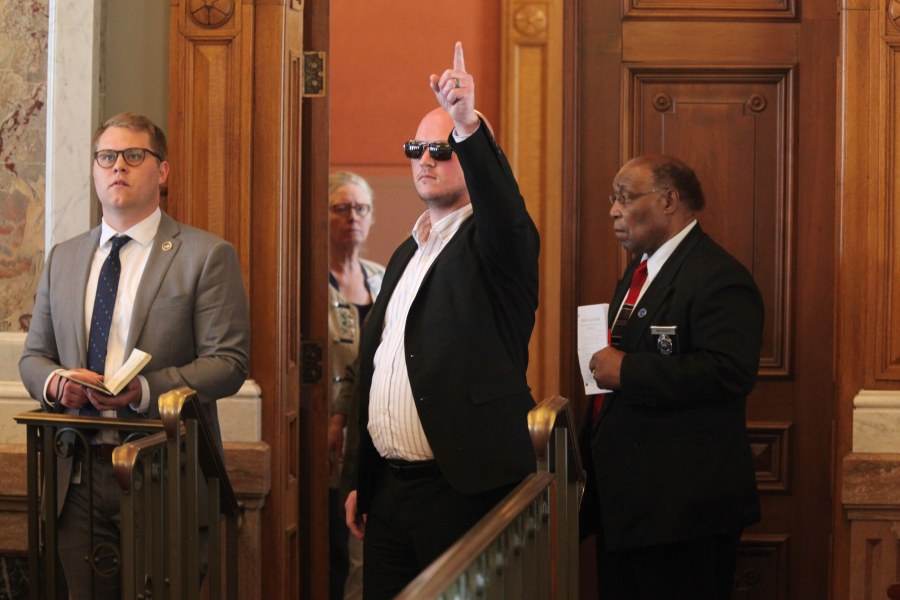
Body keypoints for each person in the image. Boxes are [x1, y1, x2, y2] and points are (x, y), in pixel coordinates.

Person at [19, 112, 250, 600]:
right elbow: (34, 357)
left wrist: (144, 390)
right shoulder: (64, 256)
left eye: (133, 156)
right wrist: (59, 383)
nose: (118, 167)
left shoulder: (205, 255)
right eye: (107, 157)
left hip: (163, 474)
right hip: (75, 476)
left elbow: (228, 364)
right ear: (95, 170)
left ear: (161, 171)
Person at [343, 42, 540, 599]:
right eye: (416, 148)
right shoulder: (407, 251)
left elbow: (505, 209)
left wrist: (467, 123)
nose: (426, 158)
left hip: (460, 491)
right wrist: (362, 479)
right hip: (389, 493)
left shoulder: (499, 242)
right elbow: (377, 368)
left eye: (444, 148)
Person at [581, 154, 763, 599]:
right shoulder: (638, 271)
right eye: (613, 198)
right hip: (628, 505)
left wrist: (628, 370)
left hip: (682, 513)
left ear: (668, 200)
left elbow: (729, 371)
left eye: (625, 197)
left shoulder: (719, 277)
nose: (613, 210)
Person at [326, 171, 384, 600]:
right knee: (330, 542)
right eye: (341, 208)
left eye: (361, 208)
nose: (352, 218)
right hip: (325, 430)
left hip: (372, 425)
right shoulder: (307, 280)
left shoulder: (383, 278)